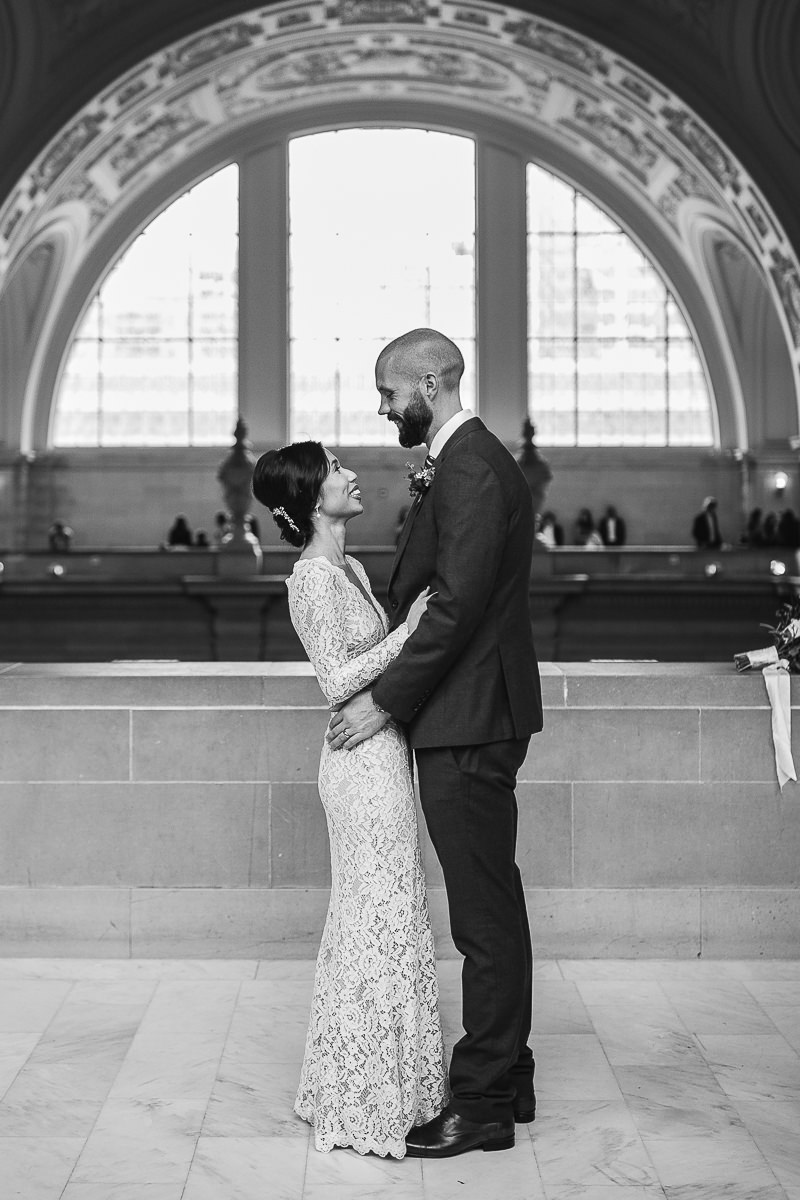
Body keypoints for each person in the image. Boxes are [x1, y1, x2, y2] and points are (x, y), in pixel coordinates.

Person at [327, 328, 543, 1158]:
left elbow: (453, 606)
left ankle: (483, 1101)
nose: (383, 409)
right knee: (492, 903)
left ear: (429, 380)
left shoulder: (473, 467)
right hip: (467, 712)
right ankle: (510, 1074)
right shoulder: (460, 462)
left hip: (469, 717)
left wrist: (382, 701)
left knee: (483, 919)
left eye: (389, 393)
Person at [250, 441, 447, 1158]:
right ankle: (362, 1096)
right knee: (374, 916)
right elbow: (337, 681)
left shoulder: (352, 567)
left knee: (393, 912)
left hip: (383, 753)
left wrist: (401, 633)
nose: (351, 475)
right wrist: (411, 632)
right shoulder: (310, 579)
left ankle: (392, 1083)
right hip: (357, 766)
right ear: (308, 497)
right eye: (335, 470)